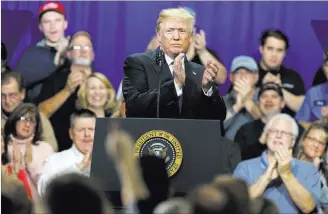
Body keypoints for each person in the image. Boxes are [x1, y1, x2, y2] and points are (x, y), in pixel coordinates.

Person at [123, 7, 226, 120]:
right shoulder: (138, 63)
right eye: (170, 31)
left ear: (190, 37)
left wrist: (207, 89)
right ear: (159, 35)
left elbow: (219, 117)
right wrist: (175, 85)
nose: (176, 37)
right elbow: (134, 106)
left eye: (182, 31)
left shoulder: (199, 71)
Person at [233, 114, 320, 213]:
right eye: (274, 131)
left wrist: (286, 174)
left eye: (285, 133)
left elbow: (308, 207)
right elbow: (237, 206)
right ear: (266, 136)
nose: (278, 135)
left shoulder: (309, 169)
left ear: (293, 141)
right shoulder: (245, 167)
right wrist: (265, 178)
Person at [15, 1, 70, 102]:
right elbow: (20, 80)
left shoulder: (76, 50)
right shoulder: (30, 54)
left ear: (65, 24)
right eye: (47, 22)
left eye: (57, 20)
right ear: (40, 27)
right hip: (38, 111)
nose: (52, 26)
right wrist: (59, 56)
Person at [37, 109, 96, 197]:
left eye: (91, 129)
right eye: (81, 130)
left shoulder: (111, 160)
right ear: (71, 134)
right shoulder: (55, 159)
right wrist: (78, 168)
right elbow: (43, 189)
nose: (87, 134)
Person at [257, 29, 305, 117]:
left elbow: (304, 108)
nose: (274, 54)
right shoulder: (249, 73)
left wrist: (279, 89)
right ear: (261, 49)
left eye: (279, 50)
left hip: (287, 129)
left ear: (285, 53)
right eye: (270, 48)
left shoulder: (292, 76)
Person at [295, 122, 328, 213]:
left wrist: (314, 174)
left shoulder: (324, 174)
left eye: (321, 143)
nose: (316, 145)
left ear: (325, 149)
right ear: (304, 140)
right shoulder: (289, 162)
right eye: (313, 139)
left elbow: (326, 204)